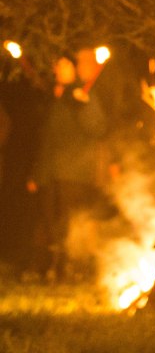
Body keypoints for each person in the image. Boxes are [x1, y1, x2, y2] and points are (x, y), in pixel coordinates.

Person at [27, 55, 107, 282]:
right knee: (46, 221)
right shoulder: (51, 97)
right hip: (49, 173)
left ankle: (68, 269)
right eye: (56, 65)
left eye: (64, 65)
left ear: (73, 69)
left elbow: (98, 129)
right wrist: (36, 174)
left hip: (74, 173)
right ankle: (42, 269)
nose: (59, 69)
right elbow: (46, 140)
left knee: (68, 225)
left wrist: (84, 106)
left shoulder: (83, 94)